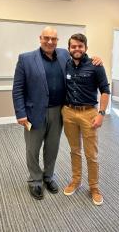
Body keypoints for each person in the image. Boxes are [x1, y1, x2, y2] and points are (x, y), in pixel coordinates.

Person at [12, 26, 102, 200]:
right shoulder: (26, 59)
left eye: (53, 39)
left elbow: (80, 53)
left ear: (58, 41)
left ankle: (48, 176)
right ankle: (35, 181)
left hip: (59, 111)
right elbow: (18, 89)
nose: (50, 42)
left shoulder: (63, 54)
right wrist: (20, 113)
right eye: (46, 38)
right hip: (33, 113)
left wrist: (96, 59)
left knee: (52, 148)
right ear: (40, 38)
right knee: (32, 149)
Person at [62, 33, 110, 206]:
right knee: (74, 150)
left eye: (80, 46)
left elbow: (105, 91)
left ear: (86, 48)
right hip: (68, 112)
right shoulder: (65, 64)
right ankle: (76, 181)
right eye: (73, 46)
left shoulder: (95, 65)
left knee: (91, 154)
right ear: (69, 49)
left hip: (89, 113)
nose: (76, 49)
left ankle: (94, 187)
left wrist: (101, 114)